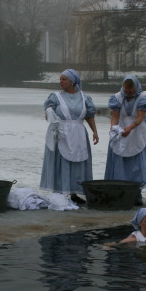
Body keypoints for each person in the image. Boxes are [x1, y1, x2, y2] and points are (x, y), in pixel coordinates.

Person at [40, 69, 99, 204]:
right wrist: (50, 116)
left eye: (64, 79)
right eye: (60, 79)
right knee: (61, 163)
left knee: (77, 163)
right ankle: (59, 191)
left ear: (72, 81)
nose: (60, 82)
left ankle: (74, 192)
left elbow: (89, 116)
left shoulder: (85, 98)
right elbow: (48, 113)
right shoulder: (55, 97)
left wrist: (94, 131)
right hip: (61, 133)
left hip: (78, 132)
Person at [104, 75, 146, 205]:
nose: (128, 90)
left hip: (138, 129)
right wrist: (114, 128)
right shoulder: (117, 98)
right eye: (126, 88)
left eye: (131, 88)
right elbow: (115, 116)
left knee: (138, 163)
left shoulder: (143, 99)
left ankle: (137, 192)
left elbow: (140, 118)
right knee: (120, 160)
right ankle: (120, 191)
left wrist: (129, 128)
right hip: (122, 128)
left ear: (136, 86)